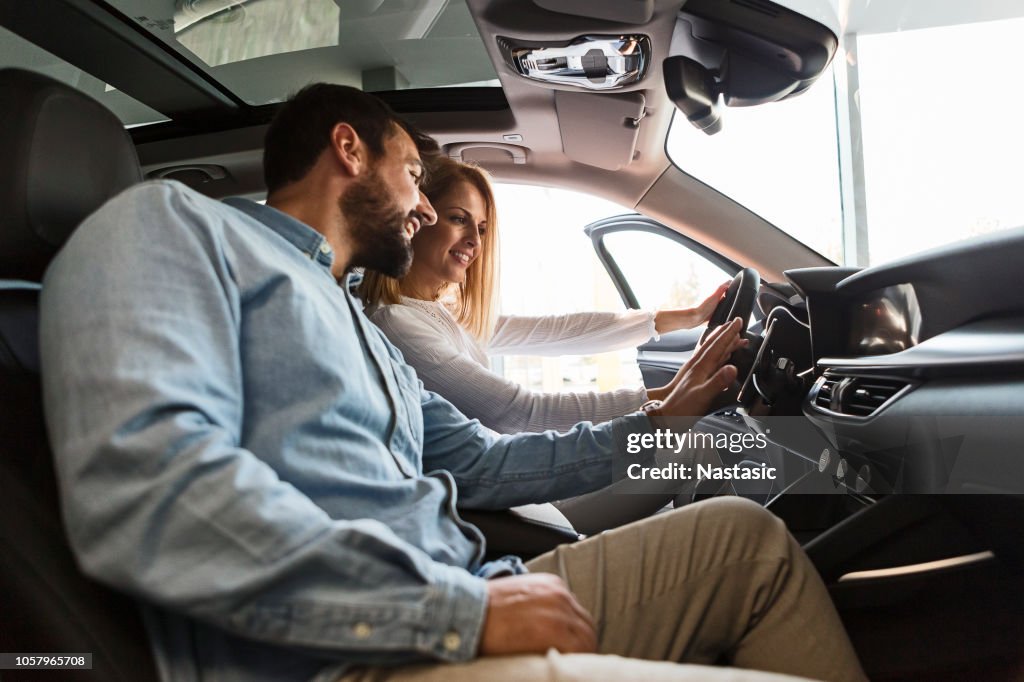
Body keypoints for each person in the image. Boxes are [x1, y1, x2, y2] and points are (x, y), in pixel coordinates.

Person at [40, 83, 867, 682]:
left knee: (743, 539)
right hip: (355, 655)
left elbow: (486, 461)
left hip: (467, 585)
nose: (429, 212)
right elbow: (149, 491)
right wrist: (452, 614)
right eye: (413, 176)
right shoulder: (168, 225)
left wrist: (661, 426)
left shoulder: (357, 323)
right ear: (348, 148)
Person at [359, 156, 730, 435]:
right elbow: (520, 412)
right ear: (419, 218)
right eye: (459, 218)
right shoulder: (397, 323)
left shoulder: (444, 313)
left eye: (483, 228)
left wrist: (689, 317)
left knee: (698, 452)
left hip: (515, 483)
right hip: (507, 503)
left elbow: (562, 331)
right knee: (698, 454)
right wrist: (665, 397)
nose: (475, 240)